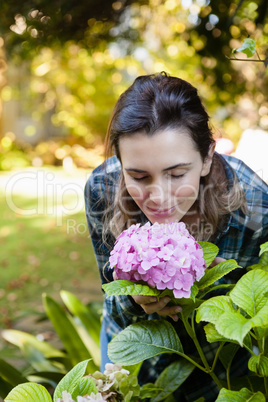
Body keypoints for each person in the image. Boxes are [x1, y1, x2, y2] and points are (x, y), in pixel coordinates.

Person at [85, 72, 268, 401]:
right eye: (138, 176)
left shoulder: (255, 207)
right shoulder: (102, 188)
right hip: (133, 357)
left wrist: (226, 288)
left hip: (223, 369)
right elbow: (110, 289)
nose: (158, 196)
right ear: (119, 163)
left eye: (176, 173)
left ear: (207, 156)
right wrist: (132, 298)